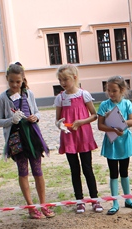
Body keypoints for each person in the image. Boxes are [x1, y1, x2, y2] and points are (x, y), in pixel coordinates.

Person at [0, 63, 54, 220]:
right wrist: (11, 120)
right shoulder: (3, 98)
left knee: (38, 170)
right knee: (23, 171)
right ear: (7, 79)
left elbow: (37, 112)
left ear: (23, 80)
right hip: (16, 138)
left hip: (32, 135)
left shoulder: (29, 94)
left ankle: (43, 204)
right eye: (11, 81)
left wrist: (36, 117)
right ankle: (30, 207)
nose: (15, 85)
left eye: (18, 81)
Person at [54, 64, 102, 215]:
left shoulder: (84, 94)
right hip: (69, 137)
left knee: (87, 168)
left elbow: (94, 115)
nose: (62, 83)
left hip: (83, 136)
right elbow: (57, 120)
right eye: (60, 80)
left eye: (65, 79)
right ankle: (79, 201)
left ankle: (95, 199)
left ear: (74, 78)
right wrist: (60, 125)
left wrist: (81, 122)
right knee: (74, 170)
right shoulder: (60, 98)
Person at [97, 76, 132, 215]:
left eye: (114, 91)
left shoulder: (127, 103)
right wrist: (113, 129)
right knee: (113, 173)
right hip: (112, 143)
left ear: (122, 90)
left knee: (124, 171)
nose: (111, 93)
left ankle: (128, 199)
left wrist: (121, 123)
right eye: (108, 90)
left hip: (124, 142)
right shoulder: (104, 105)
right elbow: (100, 125)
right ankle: (115, 202)